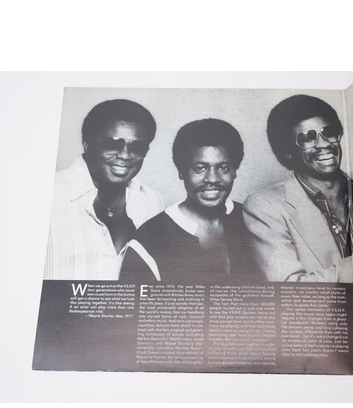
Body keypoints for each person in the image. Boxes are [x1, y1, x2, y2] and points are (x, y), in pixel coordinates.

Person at [243, 94, 353, 282]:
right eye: (307, 138)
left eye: (329, 132)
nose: (324, 144)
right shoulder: (264, 207)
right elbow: (292, 289)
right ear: (288, 152)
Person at [120, 118, 258, 283]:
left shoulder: (254, 220)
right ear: (181, 172)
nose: (212, 178)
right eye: (200, 168)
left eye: (223, 168)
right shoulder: (148, 239)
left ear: (234, 171)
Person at [44, 99, 164, 280]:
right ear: (87, 144)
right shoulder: (49, 194)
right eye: (113, 144)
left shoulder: (152, 201)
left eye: (137, 147)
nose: (125, 155)